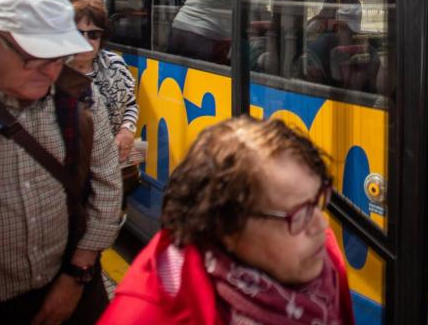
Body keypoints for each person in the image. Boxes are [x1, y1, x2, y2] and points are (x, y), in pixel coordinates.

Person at [0, 0, 122, 324]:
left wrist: (77, 276)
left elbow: (108, 188)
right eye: (33, 58)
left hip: (71, 292)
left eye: (58, 58)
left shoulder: (79, 98)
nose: (49, 71)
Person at [99, 116, 355, 325]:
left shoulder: (322, 260)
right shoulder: (148, 314)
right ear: (228, 228)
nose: (321, 226)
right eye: (299, 214)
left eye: (318, 201)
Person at [67, 0, 138, 162]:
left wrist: (127, 130)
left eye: (93, 34)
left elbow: (130, 104)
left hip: (110, 166)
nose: (86, 41)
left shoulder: (115, 65)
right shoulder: (51, 70)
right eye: (78, 33)